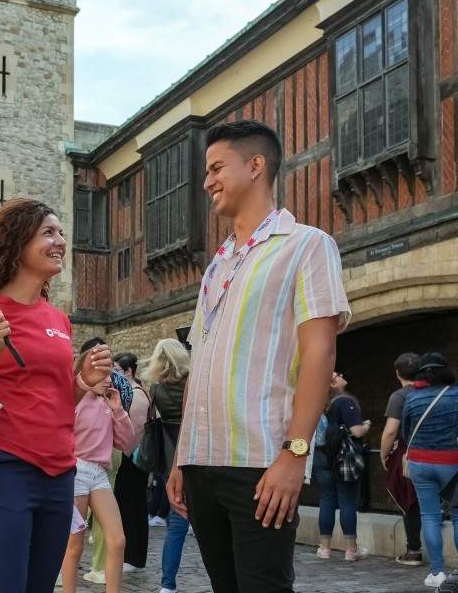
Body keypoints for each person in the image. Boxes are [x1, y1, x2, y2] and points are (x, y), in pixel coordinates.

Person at [167, 120, 351, 593]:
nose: (207, 181)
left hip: (260, 462)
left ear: (255, 165)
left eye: (216, 168)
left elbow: (319, 352)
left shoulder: (307, 245)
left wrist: (294, 455)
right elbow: (201, 360)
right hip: (201, 462)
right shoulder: (217, 265)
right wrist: (180, 459)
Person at [0, 198, 112, 592]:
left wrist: (82, 381)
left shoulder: (57, 317)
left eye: (61, 233)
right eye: (48, 232)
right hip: (6, 470)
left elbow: (57, 402)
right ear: (17, 243)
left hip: (60, 473)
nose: (60, 241)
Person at [60, 349, 134, 593]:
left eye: (110, 374)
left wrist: (119, 410)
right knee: (74, 544)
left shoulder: (108, 402)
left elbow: (126, 443)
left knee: (117, 540)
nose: (108, 379)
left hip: (99, 473)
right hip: (76, 469)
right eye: (103, 374)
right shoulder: (78, 398)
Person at [402, 352, 458, 589]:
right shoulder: (455, 395)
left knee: (430, 516)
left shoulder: (412, 398)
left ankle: (437, 572)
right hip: (452, 463)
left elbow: (405, 433)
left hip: (420, 464)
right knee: (457, 515)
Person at [146, 339, 191, 593]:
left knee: (176, 524)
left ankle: (167, 585)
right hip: (193, 453)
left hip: (168, 456)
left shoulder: (156, 389)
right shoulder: (192, 382)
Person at [312, 372, 370, 561]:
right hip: (343, 457)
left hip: (322, 456)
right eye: (337, 375)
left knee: (326, 501)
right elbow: (357, 431)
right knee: (347, 502)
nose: (342, 374)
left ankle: (325, 548)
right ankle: (351, 550)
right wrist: (367, 425)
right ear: (333, 384)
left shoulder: (321, 404)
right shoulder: (345, 402)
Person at [380, 352, 423, 566]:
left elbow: (390, 432)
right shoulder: (434, 392)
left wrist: (383, 454)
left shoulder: (400, 396)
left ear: (397, 373)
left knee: (410, 501)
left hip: (411, 454)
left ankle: (414, 550)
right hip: (440, 453)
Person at [112, 351, 151, 574]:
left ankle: (133, 556)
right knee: (132, 506)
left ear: (128, 371)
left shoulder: (136, 394)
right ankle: (134, 556)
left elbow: (135, 431)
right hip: (133, 460)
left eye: (118, 370)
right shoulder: (136, 391)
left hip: (132, 461)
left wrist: (122, 453)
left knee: (131, 507)